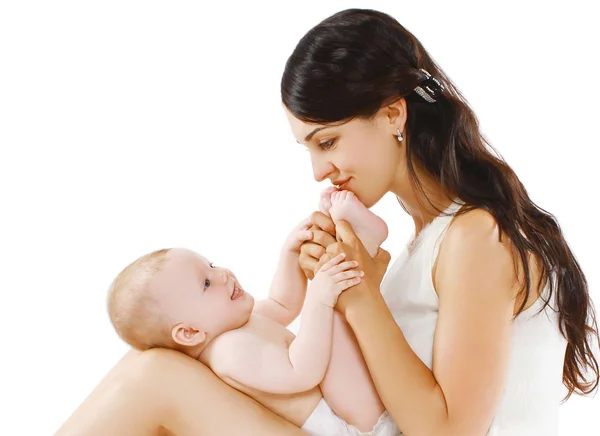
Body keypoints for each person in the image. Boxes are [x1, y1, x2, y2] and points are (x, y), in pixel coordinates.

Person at [55, 8, 599, 436]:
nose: (320, 169)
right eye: (307, 148)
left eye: (328, 141)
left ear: (393, 114)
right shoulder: (423, 244)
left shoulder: (478, 237)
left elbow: (451, 431)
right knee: (170, 366)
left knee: (153, 379)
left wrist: (355, 293)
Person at [104, 190, 396, 436]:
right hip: (352, 425)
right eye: (206, 283)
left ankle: (359, 242)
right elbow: (301, 372)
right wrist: (320, 299)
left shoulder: (236, 324)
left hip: (351, 402)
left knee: (330, 298)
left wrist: (289, 253)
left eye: (212, 265)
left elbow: (282, 303)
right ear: (190, 332)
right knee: (330, 309)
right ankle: (364, 242)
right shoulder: (228, 352)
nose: (222, 275)